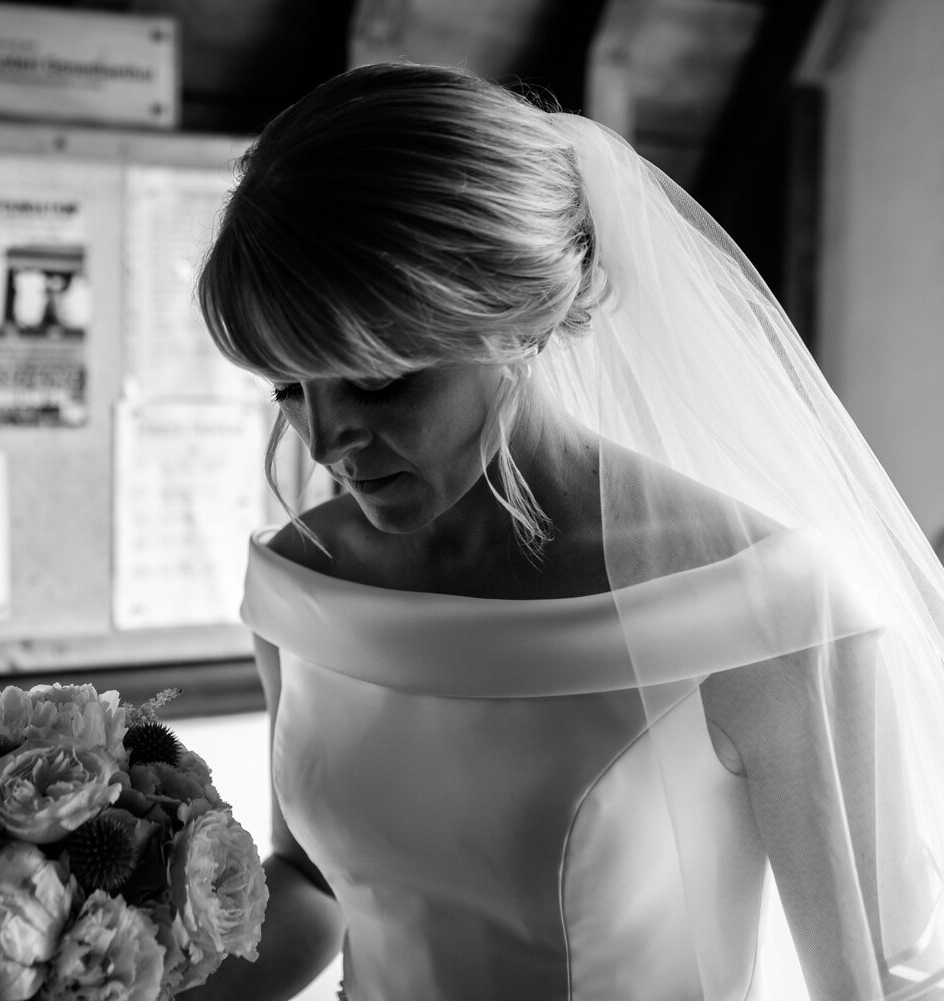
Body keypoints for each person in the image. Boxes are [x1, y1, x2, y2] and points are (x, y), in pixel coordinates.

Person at [184, 63, 944, 1001]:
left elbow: (882, 985)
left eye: (381, 381)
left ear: (522, 320)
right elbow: (314, 885)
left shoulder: (766, 608)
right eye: (290, 388)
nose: (329, 441)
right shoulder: (304, 583)